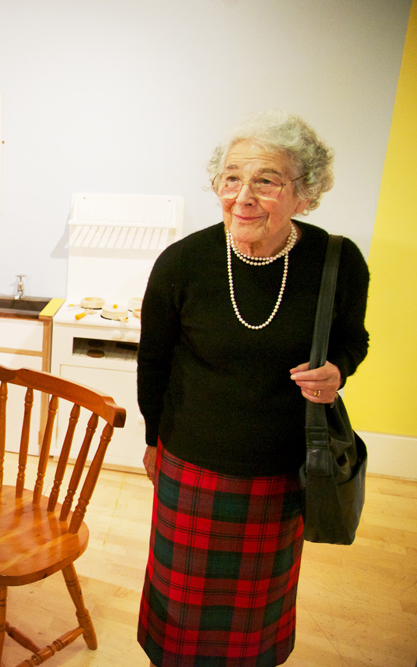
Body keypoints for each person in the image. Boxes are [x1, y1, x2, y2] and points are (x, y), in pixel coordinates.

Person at [136, 110, 370, 667]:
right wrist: (153, 439)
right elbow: (154, 362)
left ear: (305, 195)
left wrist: (338, 370)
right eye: (231, 178)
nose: (243, 195)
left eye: (266, 180)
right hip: (192, 464)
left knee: (253, 615)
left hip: (280, 468)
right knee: (181, 610)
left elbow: (353, 341)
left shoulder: (337, 262)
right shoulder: (183, 262)